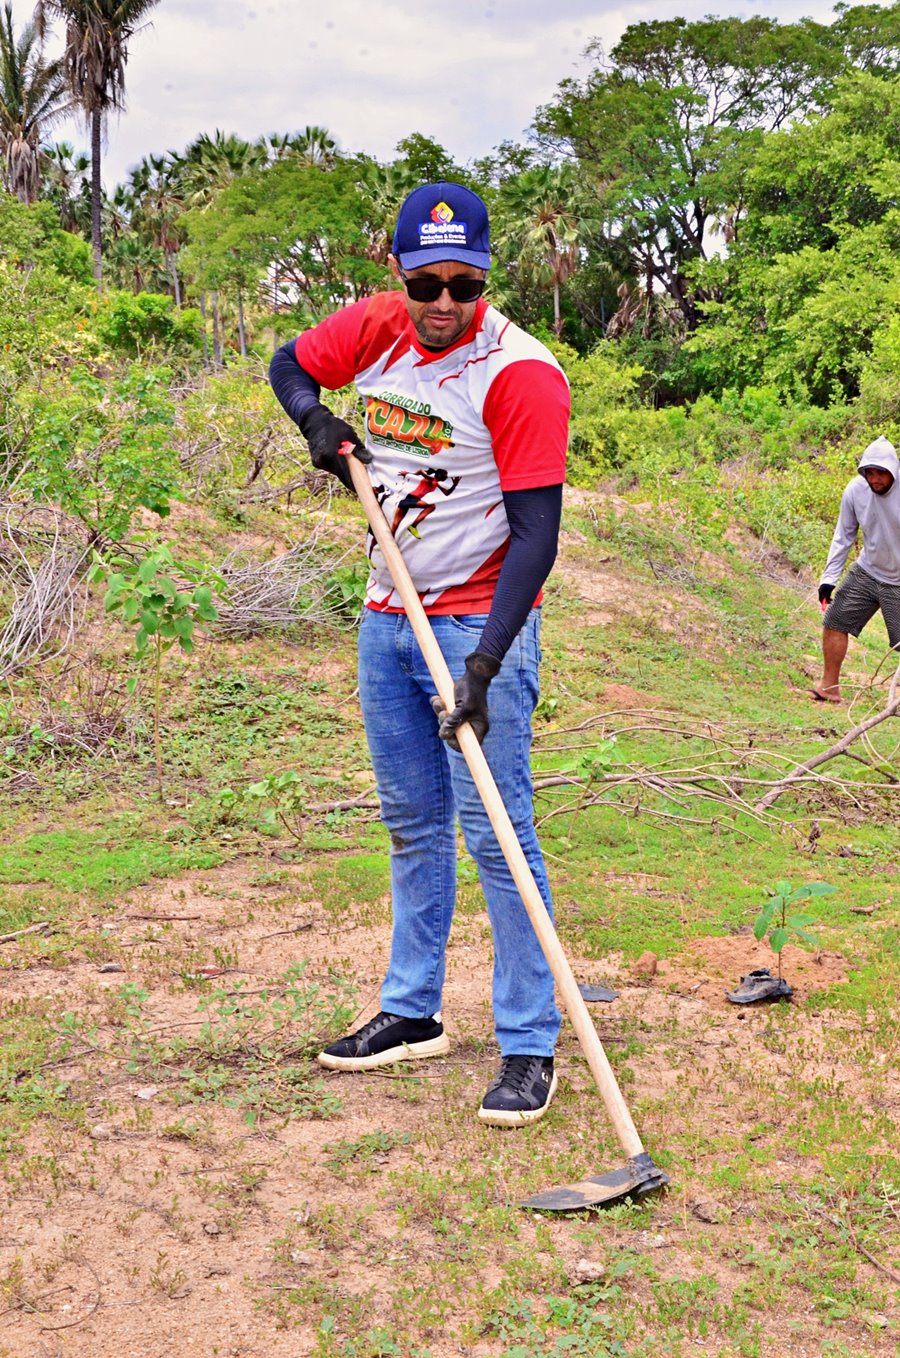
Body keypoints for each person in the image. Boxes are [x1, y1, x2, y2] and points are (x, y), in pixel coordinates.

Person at [269, 182, 570, 1127]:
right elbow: (289, 364)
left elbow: (536, 535)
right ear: (396, 272)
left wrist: (485, 663)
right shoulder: (377, 329)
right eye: (427, 282)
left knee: (499, 837)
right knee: (410, 821)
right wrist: (317, 421)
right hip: (386, 612)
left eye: (465, 284)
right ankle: (413, 1012)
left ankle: (529, 1044)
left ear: (486, 280)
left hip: (473, 626)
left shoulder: (518, 374)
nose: (444, 302)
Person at [814, 436, 900, 702]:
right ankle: (829, 688)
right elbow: (843, 536)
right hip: (867, 570)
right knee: (835, 622)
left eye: (881, 473)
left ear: (893, 471)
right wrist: (828, 579)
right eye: (869, 473)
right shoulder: (855, 490)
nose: (874, 479)